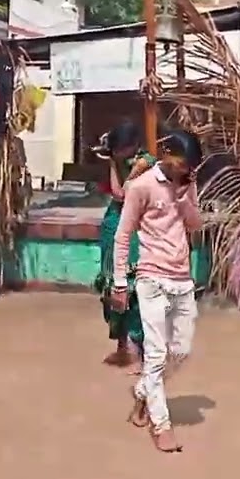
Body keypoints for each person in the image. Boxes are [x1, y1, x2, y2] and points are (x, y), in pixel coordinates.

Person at [111, 129, 205, 453]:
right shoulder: (141, 187)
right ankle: (161, 425)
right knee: (155, 353)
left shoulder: (187, 183)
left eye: (189, 167)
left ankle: (142, 393)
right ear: (166, 154)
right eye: (182, 164)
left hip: (182, 278)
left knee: (180, 350)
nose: (185, 170)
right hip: (151, 276)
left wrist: (183, 196)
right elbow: (123, 236)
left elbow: (195, 224)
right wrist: (120, 283)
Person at [95, 121, 155, 371]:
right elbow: (113, 195)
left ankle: (139, 349)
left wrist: (111, 162)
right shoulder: (121, 159)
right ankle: (122, 345)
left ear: (131, 146)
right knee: (111, 285)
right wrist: (111, 160)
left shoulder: (144, 163)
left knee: (133, 286)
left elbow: (121, 193)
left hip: (134, 226)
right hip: (113, 223)